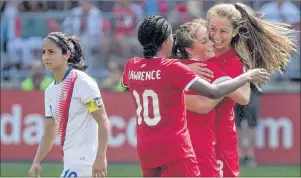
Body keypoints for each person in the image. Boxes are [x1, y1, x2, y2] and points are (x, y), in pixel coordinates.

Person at [121, 15, 269, 177]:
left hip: (146, 148)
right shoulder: (174, 68)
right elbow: (214, 92)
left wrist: (184, 68)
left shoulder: (132, 65)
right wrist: (246, 77)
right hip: (176, 149)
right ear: (166, 41)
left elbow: (130, 84)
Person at [187, 3, 296, 177]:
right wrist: (185, 68)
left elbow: (236, 98)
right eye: (212, 29)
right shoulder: (198, 48)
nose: (216, 36)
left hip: (219, 141)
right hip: (191, 138)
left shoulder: (235, 61)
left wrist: (169, 98)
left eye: (223, 31)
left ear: (235, 32)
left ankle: (249, 154)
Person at [28, 32, 110, 177]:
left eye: (51, 52)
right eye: (44, 52)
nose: (46, 57)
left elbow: (102, 121)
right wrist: (36, 161)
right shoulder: (50, 91)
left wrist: (101, 157)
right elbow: (49, 132)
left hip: (86, 160)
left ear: (66, 54)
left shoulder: (82, 82)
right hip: (70, 160)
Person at [172, 18, 230, 177]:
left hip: (173, 151)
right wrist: (243, 78)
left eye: (210, 39)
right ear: (189, 49)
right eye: (205, 41)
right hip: (200, 149)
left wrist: (168, 96)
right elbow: (203, 106)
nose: (211, 44)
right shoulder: (210, 70)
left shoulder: (169, 70)